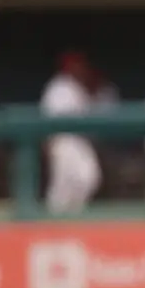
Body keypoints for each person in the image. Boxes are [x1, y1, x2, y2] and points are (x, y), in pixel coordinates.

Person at [39, 51, 101, 213]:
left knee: (89, 178)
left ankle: (73, 216)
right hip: (63, 140)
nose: (80, 68)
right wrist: (49, 143)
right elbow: (48, 119)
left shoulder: (78, 87)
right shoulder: (58, 87)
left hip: (79, 141)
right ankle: (51, 221)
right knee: (62, 185)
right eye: (75, 64)